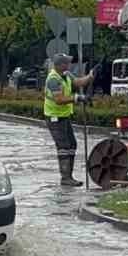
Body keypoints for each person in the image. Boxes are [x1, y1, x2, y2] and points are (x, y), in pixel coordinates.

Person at [45, 53, 96, 187]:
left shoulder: (66, 74)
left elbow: (78, 82)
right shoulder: (53, 79)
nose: (68, 64)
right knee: (64, 147)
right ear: (59, 65)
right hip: (54, 117)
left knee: (72, 145)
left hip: (64, 117)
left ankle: (69, 176)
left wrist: (90, 76)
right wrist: (77, 98)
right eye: (66, 62)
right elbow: (59, 99)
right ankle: (65, 178)